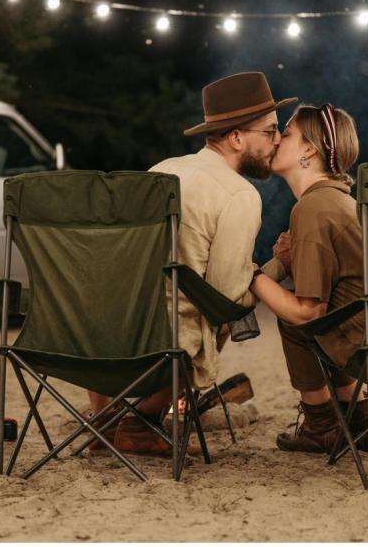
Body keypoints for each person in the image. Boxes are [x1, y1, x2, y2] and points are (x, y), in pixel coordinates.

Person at [88, 72, 298, 455]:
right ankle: (139, 423)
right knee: (217, 324)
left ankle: (105, 422)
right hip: (161, 345)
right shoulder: (239, 195)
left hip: (99, 336)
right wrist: (280, 265)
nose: (279, 140)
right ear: (236, 137)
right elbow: (227, 296)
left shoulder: (161, 170)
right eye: (270, 131)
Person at [249, 103, 368, 454]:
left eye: (286, 133)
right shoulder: (342, 202)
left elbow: (309, 313)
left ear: (309, 148)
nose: (275, 140)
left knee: (294, 316)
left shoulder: (311, 208)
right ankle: (357, 418)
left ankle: (321, 424)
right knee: (309, 310)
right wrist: (291, 261)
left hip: (363, 344)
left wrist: (250, 276)